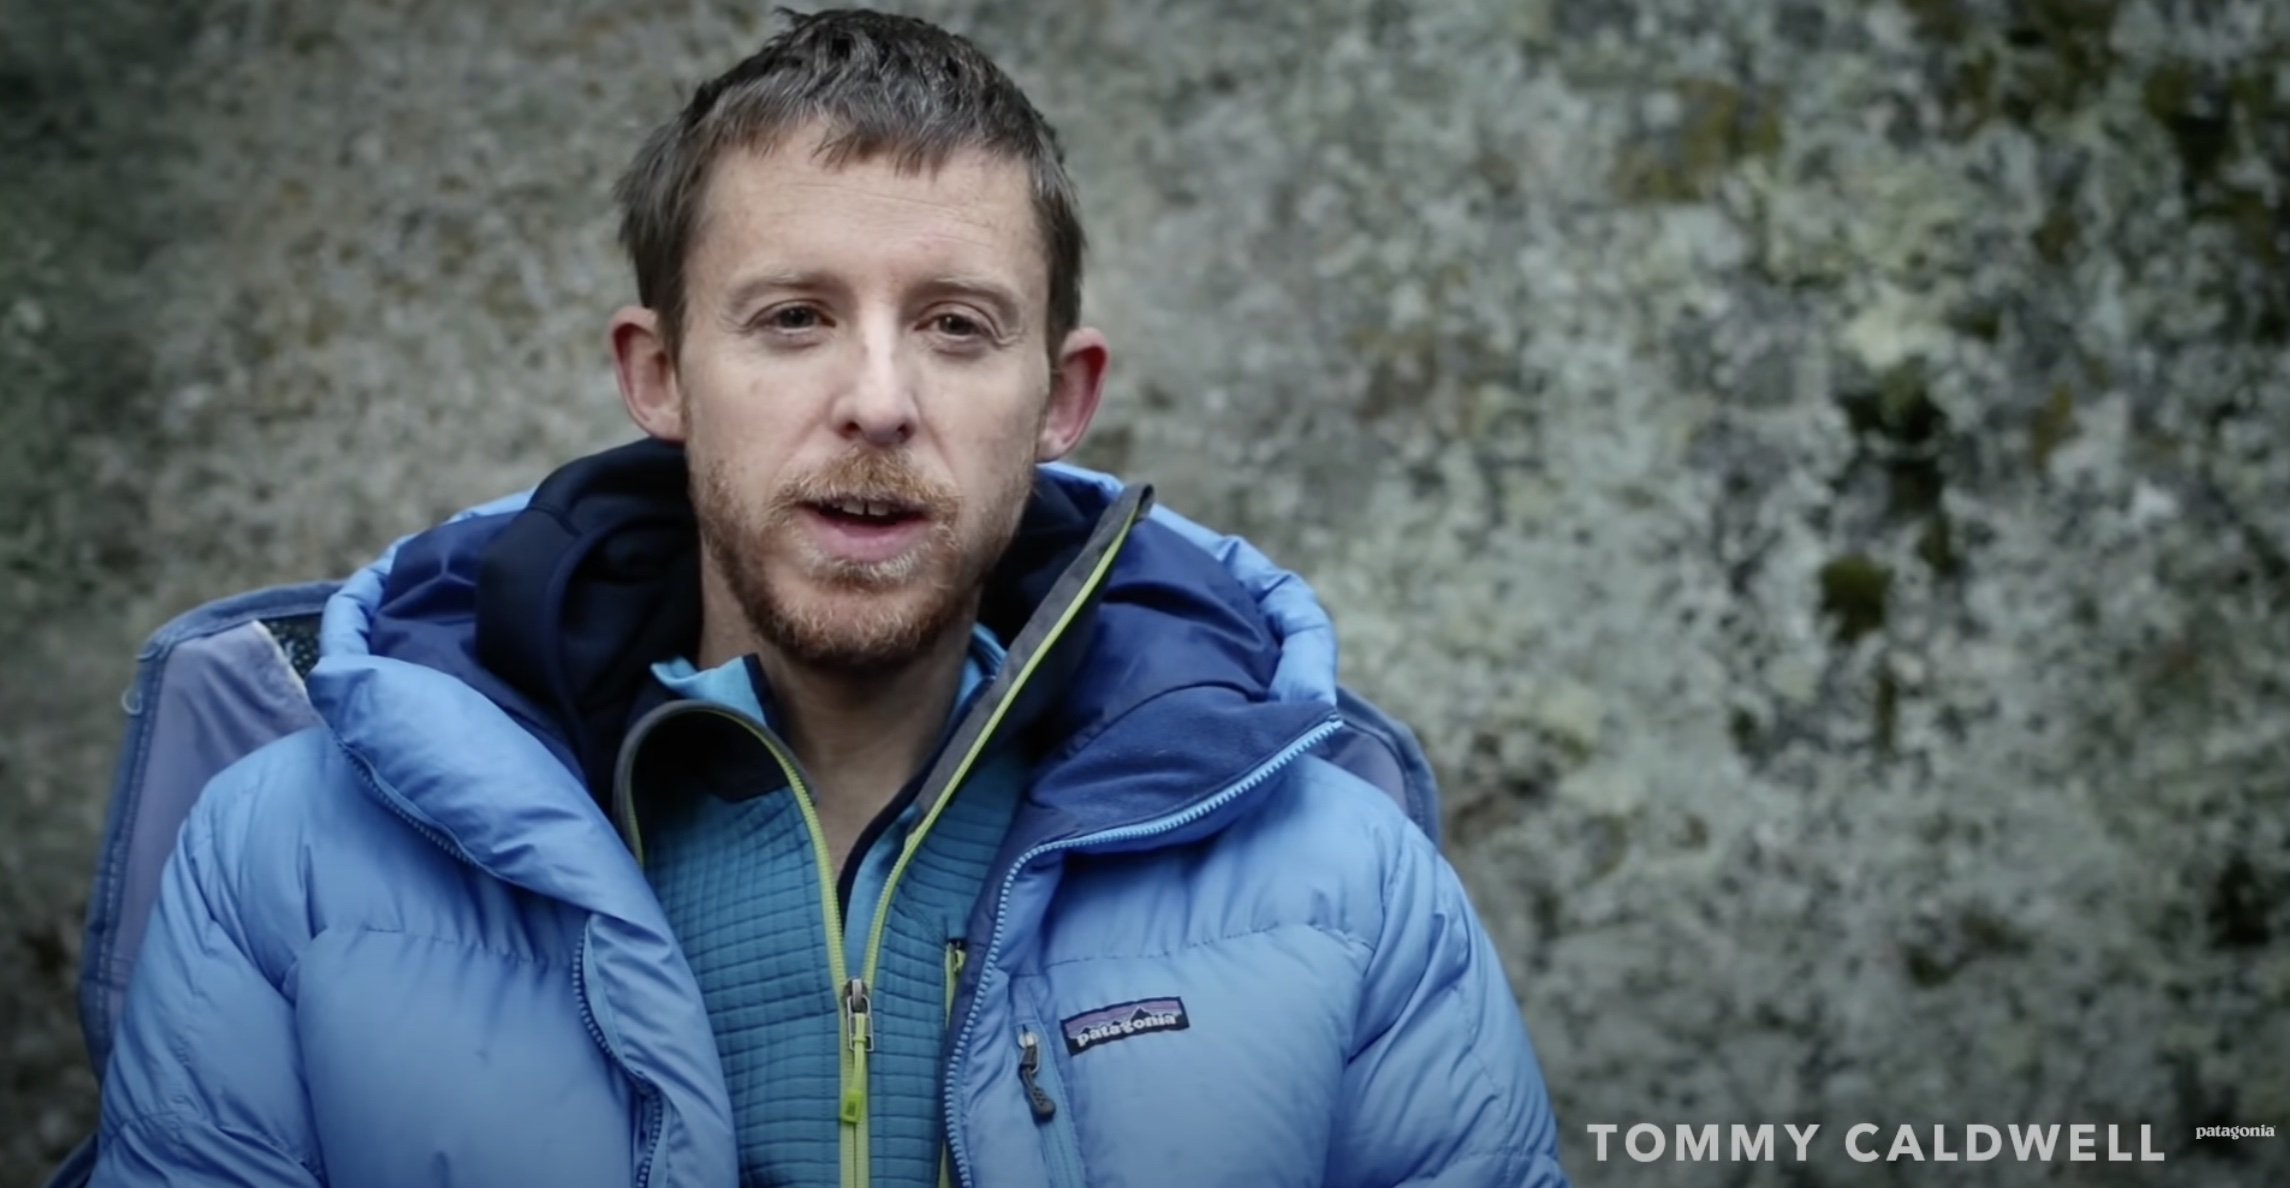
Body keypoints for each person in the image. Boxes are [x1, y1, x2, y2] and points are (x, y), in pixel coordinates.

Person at [88, 9, 1568, 1186]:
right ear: (659, 375)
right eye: (793, 319)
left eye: (955, 327)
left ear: (1059, 398)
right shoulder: (286, 856)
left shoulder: (1340, 879)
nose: (876, 402)